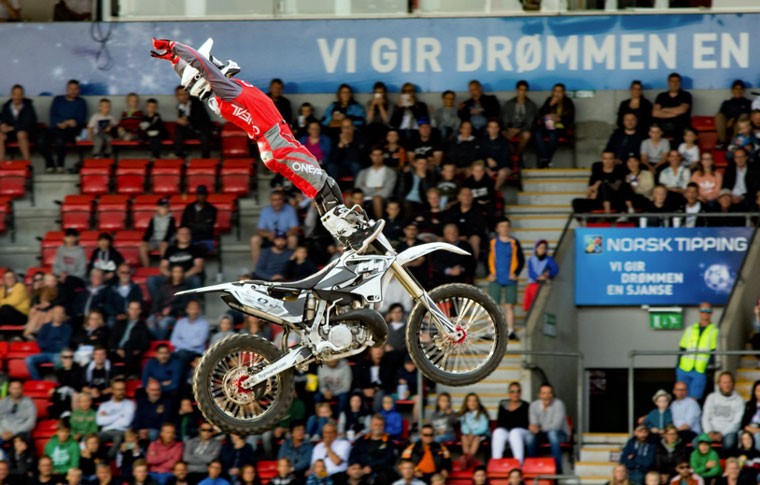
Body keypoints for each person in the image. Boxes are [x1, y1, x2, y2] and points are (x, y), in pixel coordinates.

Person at [154, 39, 384, 251]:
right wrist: (175, 46)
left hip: (275, 143)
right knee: (324, 186)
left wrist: (175, 60)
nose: (216, 62)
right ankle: (352, 236)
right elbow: (201, 65)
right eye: (211, 63)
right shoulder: (224, 91)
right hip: (277, 141)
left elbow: (196, 69)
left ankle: (347, 235)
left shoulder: (220, 96)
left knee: (324, 186)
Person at [39, 79, 87, 173]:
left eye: (75, 89)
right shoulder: (58, 99)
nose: (72, 91)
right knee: (41, 140)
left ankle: (60, 165)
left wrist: (67, 123)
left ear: (78, 90)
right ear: (66, 89)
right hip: (55, 127)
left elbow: (79, 120)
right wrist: (63, 122)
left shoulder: (81, 102)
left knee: (60, 139)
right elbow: (52, 115)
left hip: (71, 131)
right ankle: (50, 164)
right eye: (70, 89)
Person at [488, 217, 524, 340]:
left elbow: (521, 260)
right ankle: (492, 329)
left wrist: (516, 273)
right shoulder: (493, 243)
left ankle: (510, 330)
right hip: (496, 277)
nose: (505, 229)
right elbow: (486, 258)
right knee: (492, 304)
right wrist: (490, 273)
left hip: (510, 278)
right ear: (497, 229)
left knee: (510, 306)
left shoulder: (514, 243)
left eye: (507, 226)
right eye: (502, 226)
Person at [676, 302, 719, 400]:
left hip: (700, 369)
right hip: (684, 368)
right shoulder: (690, 329)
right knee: (680, 397)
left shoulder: (715, 330)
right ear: (699, 313)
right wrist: (677, 366)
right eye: (703, 311)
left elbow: (713, 351)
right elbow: (682, 348)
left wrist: (709, 367)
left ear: (711, 313)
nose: (705, 313)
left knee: (693, 399)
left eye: (708, 311)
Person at [526, 384, 569, 473]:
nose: (547, 396)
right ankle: (534, 467)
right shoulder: (533, 405)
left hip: (560, 434)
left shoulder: (558, 404)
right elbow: (534, 423)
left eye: (549, 393)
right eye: (544, 393)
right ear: (539, 395)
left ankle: (557, 469)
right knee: (529, 437)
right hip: (542, 434)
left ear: (552, 395)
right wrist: (534, 428)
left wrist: (539, 428)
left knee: (552, 433)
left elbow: (556, 426)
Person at [572, 151, 628, 216]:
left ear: (614, 160)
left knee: (605, 185)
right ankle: (582, 225)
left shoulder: (619, 170)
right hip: (598, 200)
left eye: (610, 158)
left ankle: (608, 214)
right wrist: (593, 189)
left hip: (614, 200)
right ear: (602, 159)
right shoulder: (597, 171)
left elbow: (616, 187)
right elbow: (589, 191)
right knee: (576, 202)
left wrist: (601, 182)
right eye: (605, 158)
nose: (607, 161)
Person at [348, 414, 398, 485]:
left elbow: (388, 459)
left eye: (381, 425)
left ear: (384, 427)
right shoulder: (361, 440)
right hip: (360, 470)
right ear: (371, 426)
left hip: (380, 473)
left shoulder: (389, 443)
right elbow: (352, 455)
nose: (378, 427)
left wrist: (371, 467)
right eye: (375, 424)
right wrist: (356, 467)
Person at [535, 83, 575, 168]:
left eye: (560, 91)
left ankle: (545, 160)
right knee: (537, 133)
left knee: (553, 135)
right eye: (555, 91)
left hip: (560, 127)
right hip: (547, 126)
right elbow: (540, 114)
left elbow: (570, 118)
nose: (557, 94)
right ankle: (546, 159)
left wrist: (559, 118)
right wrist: (550, 105)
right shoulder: (549, 100)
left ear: (563, 93)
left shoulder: (568, 102)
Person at [26, 307, 72, 380]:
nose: (58, 315)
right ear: (52, 314)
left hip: (58, 354)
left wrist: (48, 343)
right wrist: (55, 342)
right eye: (56, 313)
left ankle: (59, 383)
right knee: (29, 359)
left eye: (61, 313)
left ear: (63, 315)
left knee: (59, 361)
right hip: (44, 353)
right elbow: (40, 344)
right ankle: (37, 382)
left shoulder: (67, 328)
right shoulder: (45, 327)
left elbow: (64, 345)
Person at [701, 372, 744, 451]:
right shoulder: (711, 397)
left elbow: (736, 423)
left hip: (728, 432)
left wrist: (721, 434)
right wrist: (709, 432)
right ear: (719, 384)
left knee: (729, 443)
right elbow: (705, 417)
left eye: (729, 382)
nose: (726, 385)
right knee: (695, 442)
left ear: (733, 384)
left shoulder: (739, 400)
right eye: (724, 382)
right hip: (711, 430)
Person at [492, 382, 531, 463]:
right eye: (512, 391)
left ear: (521, 393)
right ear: (509, 393)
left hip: (522, 432)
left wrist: (511, 425)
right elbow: (500, 423)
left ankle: (519, 464)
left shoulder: (526, 405)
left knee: (515, 432)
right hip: (507, 430)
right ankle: (496, 463)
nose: (515, 394)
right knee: (498, 432)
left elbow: (524, 424)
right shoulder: (503, 404)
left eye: (518, 391)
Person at [355, 147, 398, 220]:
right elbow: (357, 188)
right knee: (351, 198)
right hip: (362, 197)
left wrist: (368, 191)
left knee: (376, 199)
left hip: (382, 198)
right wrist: (375, 189)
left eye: (379, 155)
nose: (377, 157)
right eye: (374, 155)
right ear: (371, 156)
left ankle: (380, 225)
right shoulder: (363, 172)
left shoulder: (391, 172)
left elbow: (387, 191)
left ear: (383, 156)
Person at [96, 379, 135, 458]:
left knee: (118, 438)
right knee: (93, 438)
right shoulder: (104, 405)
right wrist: (119, 415)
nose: (120, 392)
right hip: (106, 432)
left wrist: (108, 418)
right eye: (118, 389)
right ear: (112, 390)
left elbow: (126, 422)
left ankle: (108, 459)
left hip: (122, 432)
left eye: (122, 389)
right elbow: (100, 421)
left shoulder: (130, 404)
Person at [173, 85, 212, 158]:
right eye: (181, 95)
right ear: (177, 96)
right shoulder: (180, 106)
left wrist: (186, 120)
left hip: (201, 129)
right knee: (178, 129)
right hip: (190, 129)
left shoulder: (197, 103)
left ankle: (206, 159)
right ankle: (180, 155)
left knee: (205, 137)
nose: (183, 97)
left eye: (185, 94)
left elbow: (201, 119)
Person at [0, 84, 37, 161]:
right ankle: (1, 164)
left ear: (22, 95)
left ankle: (27, 163)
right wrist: (2, 126)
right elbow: (3, 119)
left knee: (21, 134)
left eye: (19, 95)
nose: (17, 97)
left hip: (26, 132)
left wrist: (12, 128)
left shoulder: (28, 106)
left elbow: (28, 124)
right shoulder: (6, 106)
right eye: (15, 94)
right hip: (11, 133)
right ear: (11, 95)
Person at [652, 73, 693, 142]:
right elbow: (655, 113)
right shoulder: (661, 96)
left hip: (680, 128)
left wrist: (665, 110)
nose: (675, 83)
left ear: (680, 83)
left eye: (677, 81)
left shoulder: (686, 95)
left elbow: (682, 110)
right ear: (668, 83)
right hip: (663, 127)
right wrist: (674, 114)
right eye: (672, 81)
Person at [503, 80, 538, 158]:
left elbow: (530, 123)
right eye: (521, 90)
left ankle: (517, 155)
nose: (522, 92)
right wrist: (509, 129)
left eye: (525, 90)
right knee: (502, 134)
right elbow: (504, 119)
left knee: (527, 135)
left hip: (523, 130)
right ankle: (511, 154)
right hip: (510, 129)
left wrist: (519, 130)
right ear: (517, 90)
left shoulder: (531, 105)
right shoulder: (509, 104)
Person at [139, 198, 177, 267]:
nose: (164, 209)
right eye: (162, 207)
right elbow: (149, 230)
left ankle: (164, 268)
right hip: (155, 240)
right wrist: (145, 240)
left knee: (163, 247)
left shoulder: (171, 219)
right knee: (142, 247)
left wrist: (165, 241)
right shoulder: (154, 218)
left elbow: (170, 232)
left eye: (166, 207)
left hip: (167, 241)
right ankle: (146, 268)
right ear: (157, 208)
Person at [523, 240, 559, 312]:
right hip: (533, 283)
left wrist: (548, 273)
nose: (542, 250)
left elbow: (555, 269)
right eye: (540, 247)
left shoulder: (548, 259)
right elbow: (531, 272)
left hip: (542, 284)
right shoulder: (532, 259)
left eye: (543, 248)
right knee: (528, 304)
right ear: (536, 248)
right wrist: (537, 277)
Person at [715, 80, 752, 148]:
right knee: (719, 116)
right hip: (727, 127)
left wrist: (733, 119)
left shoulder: (748, 102)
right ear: (732, 90)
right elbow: (721, 114)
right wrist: (728, 122)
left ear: (743, 90)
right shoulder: (726, 103)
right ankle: (722, 142)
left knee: (744, 116)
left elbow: (746, 114)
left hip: (740, 127)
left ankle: (734, 142)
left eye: (740, 89)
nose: (738, 91)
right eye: (736, 88)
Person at [181, 185, 217, 253]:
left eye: (203, 194)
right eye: (199, 194)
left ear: (206, 196)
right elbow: (183, 224)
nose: (201, 197)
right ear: (196, 196)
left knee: (199, 249)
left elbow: (208, 228)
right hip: (190, 237)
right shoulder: (189, 208)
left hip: (205, 238)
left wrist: (192, 225)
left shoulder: (212, 209)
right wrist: (200, 225)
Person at [365, 81, 391, 145]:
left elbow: (387, 121)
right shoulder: (369, 103)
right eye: (377, 92)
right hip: (371, 129)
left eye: (381, 92)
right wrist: (372, 106)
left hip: (384, 129)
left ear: (384, 93)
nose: (379, 94)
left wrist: (380, 106)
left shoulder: (390, 104)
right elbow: (368, 121)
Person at [740, 380, 760, 450]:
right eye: (758, 390)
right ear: (754, 392)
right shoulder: (749, 405)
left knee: (757, 436)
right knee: (741, 434)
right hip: (749, 428)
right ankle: (743, 457)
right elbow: (743, 423)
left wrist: (757, 430)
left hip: (759, 430)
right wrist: (749, 429)